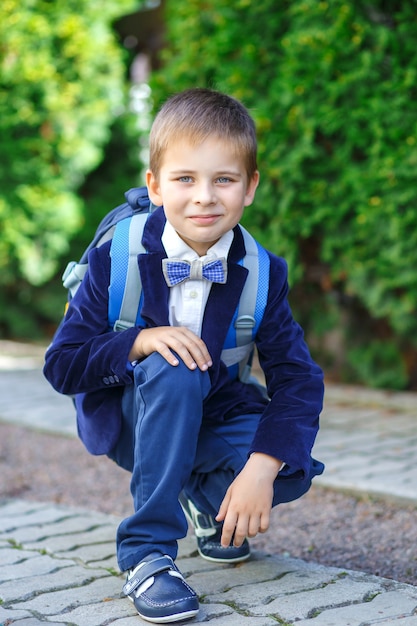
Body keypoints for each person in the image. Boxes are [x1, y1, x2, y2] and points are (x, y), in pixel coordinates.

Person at [44, 87, 324, 624]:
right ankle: (147, 553)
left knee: (291, 465)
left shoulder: (264, 273)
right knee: (173, 366)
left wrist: (260, 469)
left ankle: (201, 496)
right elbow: (62, 365)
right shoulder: (118, 256)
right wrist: (139, 342)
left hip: (214, 413)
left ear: (250, 188)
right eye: (185, 179)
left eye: (224, 179)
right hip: (134, 415)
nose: (204, 197)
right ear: (154, 185)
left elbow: (299, 381)